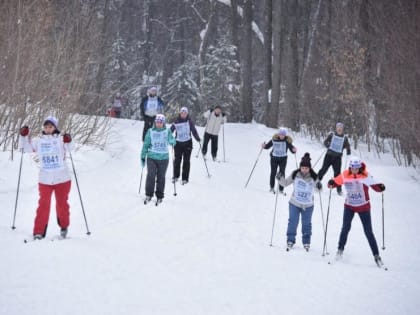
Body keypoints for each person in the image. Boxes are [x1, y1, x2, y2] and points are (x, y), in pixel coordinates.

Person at [19, 116, 72, 240]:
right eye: (46, 126)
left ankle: (64, 227)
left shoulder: (60, 139)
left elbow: (70, 148)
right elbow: (25, 148)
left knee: (62, 204)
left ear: (55, 127)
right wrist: (23, 135)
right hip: (45, 179)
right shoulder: (39, 140)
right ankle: (39, 232)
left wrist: (68, 140)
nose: (48, 129)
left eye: (51, 127)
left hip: (62, 178)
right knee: (43, 205)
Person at [327, 156, 386, 266]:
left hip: (363, 207)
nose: (355, 170)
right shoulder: (345, 174)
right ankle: (340, 250)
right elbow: (335, 183)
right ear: (350, 167)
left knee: (368, 231)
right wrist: (331, 183)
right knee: (345, 228)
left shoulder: (365, 175)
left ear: (360, 167)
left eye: (357, 168)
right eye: (353, 168)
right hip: (349, 206)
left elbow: (375, 186)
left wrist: (380, 187)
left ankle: (376, 256)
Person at [277, 153, 320, 251]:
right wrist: (280, 178)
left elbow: (318, 190)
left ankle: (306, 242)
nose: (304, 170)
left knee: (306, 224)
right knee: (292, 222)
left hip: (308, 205)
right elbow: (285, 183)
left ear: (309, 168)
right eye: (302, 168)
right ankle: (290, 240)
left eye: (306, 168)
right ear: (300, 167)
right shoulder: (295, 174)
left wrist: (319, 186)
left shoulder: (314, 176)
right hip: (294, 203)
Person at [141, 114, 176, 204]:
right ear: (155, 122)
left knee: (161, 177)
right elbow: (146, 144)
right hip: (152, 157)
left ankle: (159, 196)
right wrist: (143, 156)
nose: (159, 123)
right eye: (157, 122)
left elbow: (171, 140)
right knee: (151, 175)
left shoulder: (167, 131)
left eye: (161, 122)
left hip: (164, 158)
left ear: (163, 123)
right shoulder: (150, 131)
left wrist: (172, 141)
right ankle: (149, 194)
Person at [317, 122, 351, 195]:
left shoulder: (344, 138)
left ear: (342, 129)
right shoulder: (332, 135)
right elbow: (325, 142)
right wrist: (328, 145)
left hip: (337, 158)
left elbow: (347, 145)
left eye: (341, 128)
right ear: (336, 128)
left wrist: (348, 150)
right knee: (323, 169)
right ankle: (316, 182)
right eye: (338, 127)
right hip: (329, 156)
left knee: (337, 174)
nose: (339, 129)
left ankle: (339, 190)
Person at [170, 107, 201, 185]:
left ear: (187, 114)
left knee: (186, 161)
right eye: (182, 113)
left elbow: (194, 130)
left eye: (185, 113)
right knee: (177, 160)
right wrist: (170, 138)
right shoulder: (176, 121)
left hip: (188, 143)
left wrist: (197, 138)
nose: (183, 114)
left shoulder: (189, 121)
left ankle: (185, 178)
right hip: (178, 143)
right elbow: (170, 130)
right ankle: (176, 176)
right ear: (180, 113)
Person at [262, 127, 297, 193]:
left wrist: (294, 150)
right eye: (280, 134)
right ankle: (272, 188)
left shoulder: (287, 141)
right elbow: (267, 146)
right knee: (273, 173)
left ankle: (281, 189)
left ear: (285, 135)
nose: (281, 136)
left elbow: (292, 149)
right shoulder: (274, 139)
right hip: (274, 159)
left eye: (283, 135)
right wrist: (264, 146)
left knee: (282, 173)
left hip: (283, 160)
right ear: (278, 134)